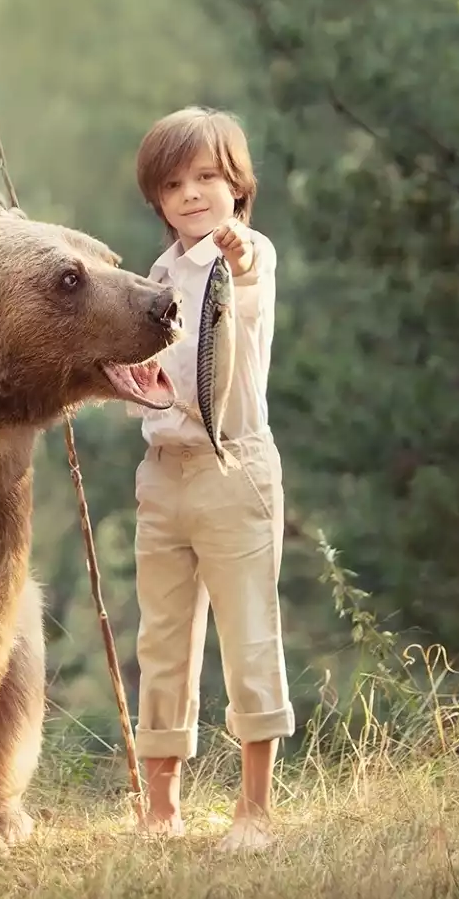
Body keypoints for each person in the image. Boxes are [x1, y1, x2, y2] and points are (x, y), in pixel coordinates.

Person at [127, 106, 292, 853]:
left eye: (206, 177)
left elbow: (249, 271)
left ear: (237, 186)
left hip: (234, 470)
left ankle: (254, 812)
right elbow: (158, 377)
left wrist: (237, 251)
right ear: (157, 200)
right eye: (172, 184)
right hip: (163, 475)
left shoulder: (245, 253)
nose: (191, 194)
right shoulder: (158, 275)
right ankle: (162, 809)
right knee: (163, 640)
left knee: (249, 636)